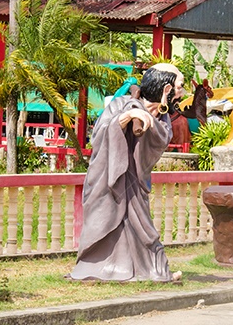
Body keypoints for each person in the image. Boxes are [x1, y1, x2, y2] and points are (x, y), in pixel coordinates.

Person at [71, 63, 184, 282]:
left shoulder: (163, 119)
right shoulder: (121, 104)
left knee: (142, 227)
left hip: (135, 182)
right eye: (180, 87)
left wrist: (148, 121)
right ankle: (102, 267)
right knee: (110, 222)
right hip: (109, 177)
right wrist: (125, 118)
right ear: (167, 90)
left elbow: (159, 141)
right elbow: (98, 136)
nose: (183, 93)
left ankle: (154, 271)